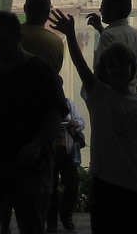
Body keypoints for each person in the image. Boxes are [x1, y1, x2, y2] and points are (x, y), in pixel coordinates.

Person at [51, 9, 137, 234]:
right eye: (112, 66)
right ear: (104, 71)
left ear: (132, 68)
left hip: (135, 184)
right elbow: (81, 66)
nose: (118, 70)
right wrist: (70, 35)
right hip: (104, 183)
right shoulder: (99, 96)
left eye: (122, 65)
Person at [0, 11, 68, 234]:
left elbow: (57, 112)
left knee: (30, 224)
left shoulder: (39, 71)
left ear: (17, 37)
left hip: (28, 163)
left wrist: (37, 144)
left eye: (1, 41)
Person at [47, 95, 86, 234]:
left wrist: (75, 124)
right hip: (50, 151)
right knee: (51, 188)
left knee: (72, 184)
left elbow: (81, 122)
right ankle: (52, 220)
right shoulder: (44, 103)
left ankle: (66, 215)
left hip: (67, 151)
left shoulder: (69, 104)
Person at [87, 0, 137, 73]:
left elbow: (100, 72)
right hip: (132, 86)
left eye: (103, 6)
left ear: (113, 9)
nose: (100, 9)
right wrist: (100, 28)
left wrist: (70, 36)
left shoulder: (107, 36)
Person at [19, 0, 65, 73]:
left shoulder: (11, 37)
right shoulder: (55, 42)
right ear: (48, 13)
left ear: (25, 8)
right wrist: (70, 35)